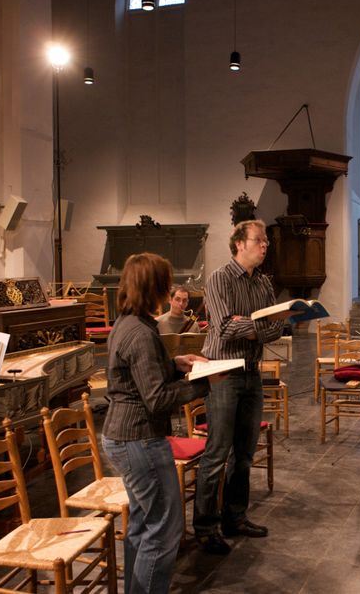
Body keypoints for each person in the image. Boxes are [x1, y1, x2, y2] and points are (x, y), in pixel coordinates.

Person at [99, 253, 216, 594]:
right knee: (164, 529)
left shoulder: (128, 322)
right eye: (166, 284)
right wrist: (207, 381)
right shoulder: (140, 333)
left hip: (123, 435)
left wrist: (176, 362)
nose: (170, 291)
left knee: (143, 523)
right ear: (155, 287)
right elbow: (158, 398)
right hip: (139, 439)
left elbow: (139, 374)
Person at [193, 220, 288, 555]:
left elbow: (278, 329)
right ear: (239, 244)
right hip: (222, 373)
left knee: (245, 453)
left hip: (251, 372)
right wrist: (258, 326)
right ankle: (205, 526)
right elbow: (223, 329)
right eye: (259, 240)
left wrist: (248, 326)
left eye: (265, 241)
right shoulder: (220, 279)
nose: (265, 245)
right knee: (218, 451)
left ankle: (235, 516)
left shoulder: (263, 282)